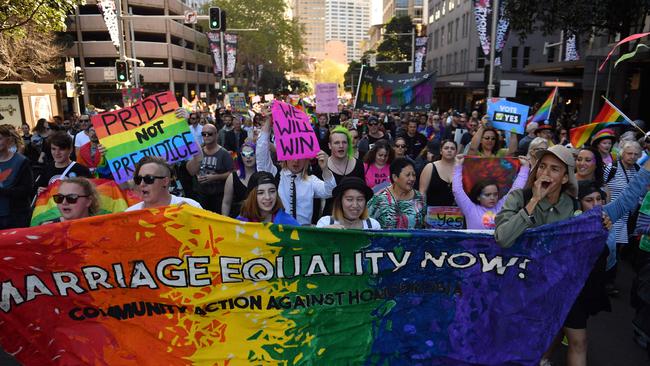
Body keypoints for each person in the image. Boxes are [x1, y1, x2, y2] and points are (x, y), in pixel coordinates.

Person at [494, 145, 581, 248]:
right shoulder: (518, 197)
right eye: (542, 166)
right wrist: (534, 201)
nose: (545, 173)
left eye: (554, 169)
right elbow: (503, 239)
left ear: (565, 178)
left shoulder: (573, 205)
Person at [256, 117, 335, 225]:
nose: (296, 161)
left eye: (300, 157)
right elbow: (261, 155)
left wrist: (325, 169)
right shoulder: (275, 175)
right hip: (278, 232)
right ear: (285, 156)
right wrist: (268, 122)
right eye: (292, 156)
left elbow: (330, 191)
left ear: (307, 159)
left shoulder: (311, 181)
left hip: (303, 235)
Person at [453, 154, 530, 230]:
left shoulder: (503, 205)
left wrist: (525, 168)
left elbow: (516, 189)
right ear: (478, 197)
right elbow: (457, 190)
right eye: (487, 195)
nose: (492, 198)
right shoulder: (469, 208)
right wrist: (458, 166)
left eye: (495, 194)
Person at [186, 123, 233, 213]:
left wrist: (214, 177)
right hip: (201, 194)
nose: (206, 136)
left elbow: (231, 173)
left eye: (210, 134)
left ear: (216, 135)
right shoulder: (198, 153)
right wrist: (197, 174)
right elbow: (191, 171)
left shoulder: (224, 153)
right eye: (204, 134)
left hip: (218, 195)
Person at [126, 156, 202, 211]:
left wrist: (193, 217)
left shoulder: (192, 207)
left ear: (165, 181)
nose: (142, 184)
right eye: (138, 179)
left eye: (148, 179)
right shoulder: (130, 214)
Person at [368, 158, 425, 229]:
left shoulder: (419, 198)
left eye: (413, 175)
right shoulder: (379, 198)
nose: (412, 179)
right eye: (408, 175)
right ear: (395, 177)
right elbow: (367, 222)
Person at [0, 124, 33, 229]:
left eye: (0, 139)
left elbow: (27, 189)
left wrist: (3, 191)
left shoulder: (21, 161)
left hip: (16, 216)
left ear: (8, 140)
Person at [317, 176, 381, 229]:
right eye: (349, 199)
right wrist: (325, 232)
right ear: (340, 201)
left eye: (360, 199)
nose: (355, 205)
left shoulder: (373, 226)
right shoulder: (325, 222)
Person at [222, 142, 256, 218]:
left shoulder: (262, 175)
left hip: (258, 221)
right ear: (241, 156)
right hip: (238, 221)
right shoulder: (232, 177)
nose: (248, 157)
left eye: (251, 154)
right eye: (245, 154)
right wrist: (225, 221)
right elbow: (226, 203)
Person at [419, 139, 457, 207]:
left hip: (456, 214)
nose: (449, 150)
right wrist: (423, 212)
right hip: (433, 213)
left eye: (452, 148)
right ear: (441, 151)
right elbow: (422, 192)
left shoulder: (460, 169)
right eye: (446, 148)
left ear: (456, 152)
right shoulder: (430, 167)